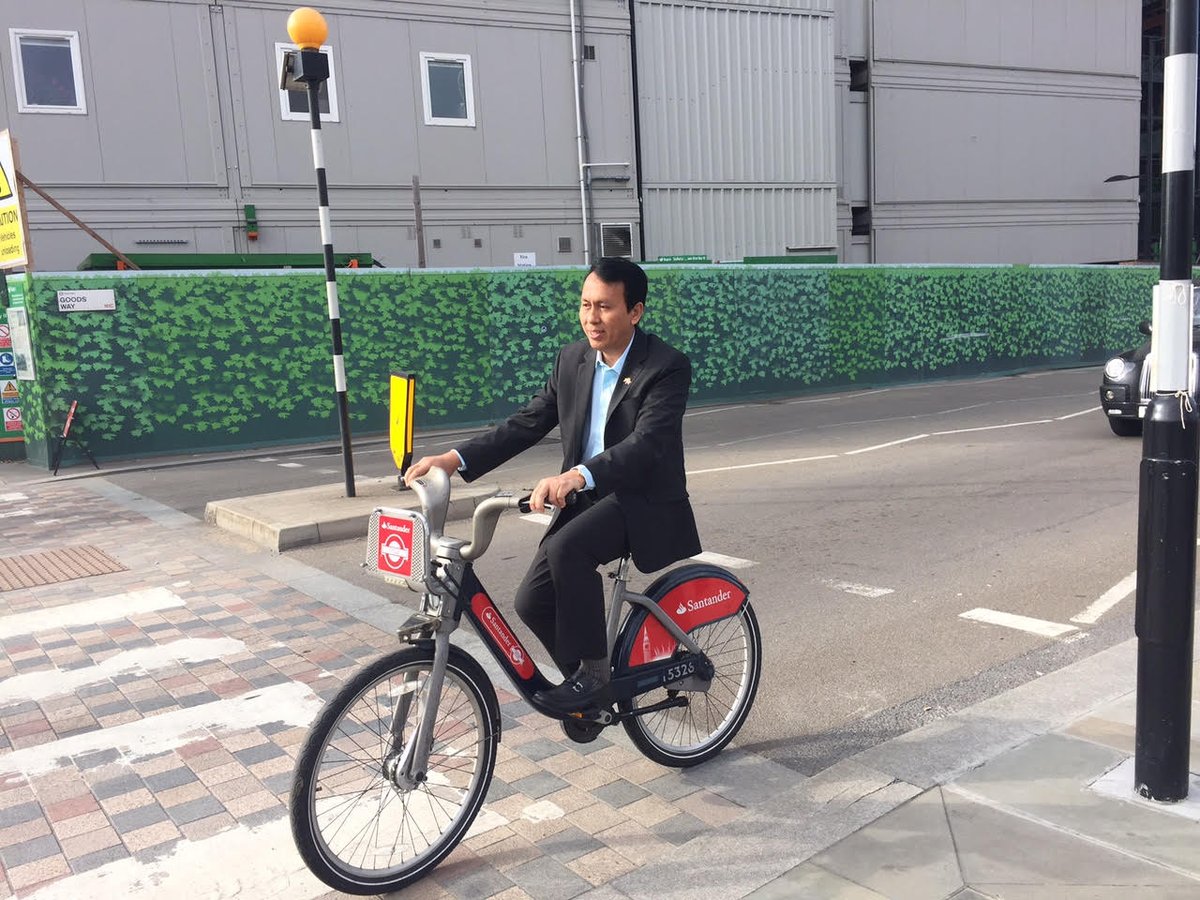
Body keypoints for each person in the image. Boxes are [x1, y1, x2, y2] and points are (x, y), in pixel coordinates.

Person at [403, 257, 700, 713]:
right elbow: (527, 423)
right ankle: (590, 691)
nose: (591, 318)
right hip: (586, 498)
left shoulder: (665, 366)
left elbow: (647, 445)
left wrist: (578, 474)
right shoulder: (573, 359)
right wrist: (453, 458)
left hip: (639, 498)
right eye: (585, 305)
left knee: (568, 551)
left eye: (604, 307)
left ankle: (595, 679)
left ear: (635, 312)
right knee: (531, 602)